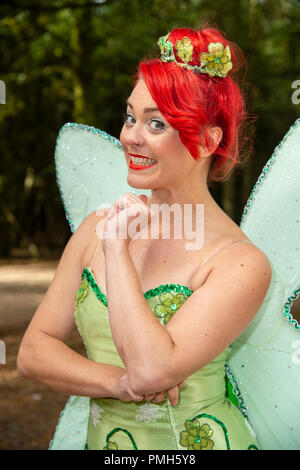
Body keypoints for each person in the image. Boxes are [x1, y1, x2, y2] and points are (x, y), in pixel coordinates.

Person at [17, 24, 273, 450]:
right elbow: (32, 352)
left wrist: (116, 251)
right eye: (131, 116)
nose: (130, 136)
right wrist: (116, 383)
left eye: (156, 124)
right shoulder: (93, 229)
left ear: (208, 140)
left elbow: (153, 371)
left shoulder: (239, 262)